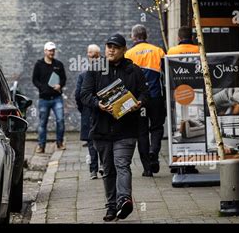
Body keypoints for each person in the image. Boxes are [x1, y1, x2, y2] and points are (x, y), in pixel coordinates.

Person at [81, 34, 149, 221]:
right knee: (108, 169)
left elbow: (145, 92)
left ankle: (124, 200)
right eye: (108, 46)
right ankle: (111, 207)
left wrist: (140, 102)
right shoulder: (95, 70)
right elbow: (84, 95)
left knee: (122, 164)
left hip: (126, 129)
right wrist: (98, 104)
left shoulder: (133, 70)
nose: (111, 50)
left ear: (124, 50)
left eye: (115, 47)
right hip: (101, 129)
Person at [125, 24, 166, 177]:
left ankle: (147, 169)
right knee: (156, 127)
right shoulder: (158, 51)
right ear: (146, 35)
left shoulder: (128, 54)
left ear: (133, 37)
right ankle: (153, 151)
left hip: (138, 100)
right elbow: (166, 74)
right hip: (155, 96)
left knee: (141, 132)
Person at [168, 27, 200, 174]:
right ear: (192, 37)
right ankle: (191, 164)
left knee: (178, 124)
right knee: (190, 119)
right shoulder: (198, 50)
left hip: (178, 92)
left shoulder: (172, 51)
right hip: (195, 92)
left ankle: (178, 160)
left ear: (179, 38)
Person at [32, 42, 67, 153]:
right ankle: (41, 146)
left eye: (53, 50)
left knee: (60, 120)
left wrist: (60, 85)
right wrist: (42, 88)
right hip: (44, 99)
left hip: (57, 98)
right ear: (45, 51)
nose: (52, 52)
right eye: (50, 50)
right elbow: (34, 79)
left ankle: (60, 143)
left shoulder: (58, 64)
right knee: (43, 123)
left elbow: (64, 78)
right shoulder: (39, 64)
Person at [75, 44, 101, 180]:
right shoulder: (105, 72)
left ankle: (94, 170)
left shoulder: (83, 74)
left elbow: (78, 95)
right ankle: (102, 166)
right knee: (101, 139)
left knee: (92, 141)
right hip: (100, 110)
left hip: (90, 111)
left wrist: (83, 109)